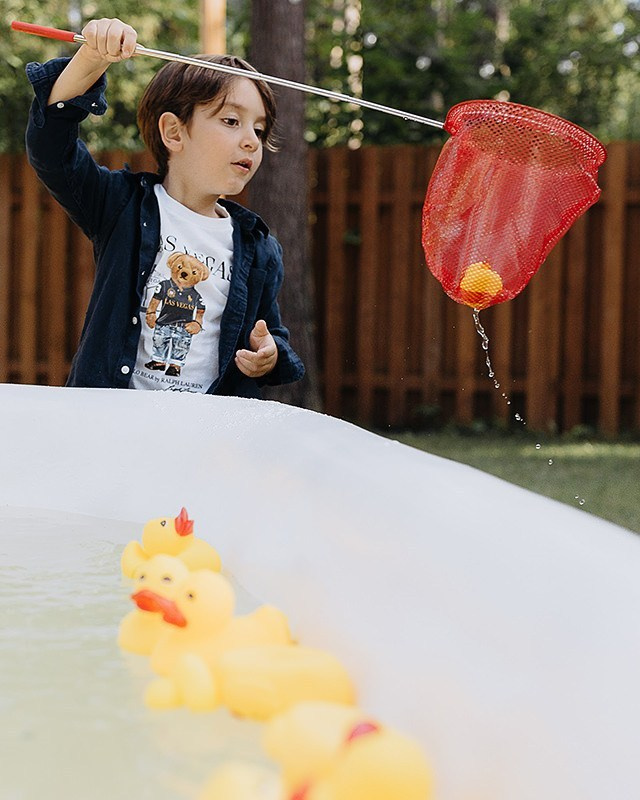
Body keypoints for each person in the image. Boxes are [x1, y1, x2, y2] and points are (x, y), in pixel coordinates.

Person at [25, 17, 305, 397]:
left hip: (204, 440)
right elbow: (51, 148)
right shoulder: (121, 205)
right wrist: (91, 58)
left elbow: (269, 333)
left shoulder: (259, 248)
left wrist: (270, 354)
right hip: (112, 429)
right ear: (174, 132)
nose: (251, 142)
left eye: (259, 129)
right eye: (231, 120)